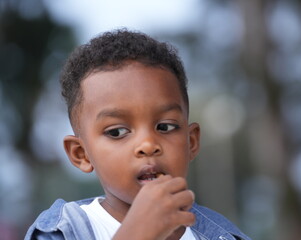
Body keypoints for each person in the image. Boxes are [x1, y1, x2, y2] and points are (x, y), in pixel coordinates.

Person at [25, 29, 251, 240]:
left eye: (165, 127)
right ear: (81, 154)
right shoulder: (64, 230)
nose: (148, 144)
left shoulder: (223, 234)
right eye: (117, 132)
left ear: (190, 142)